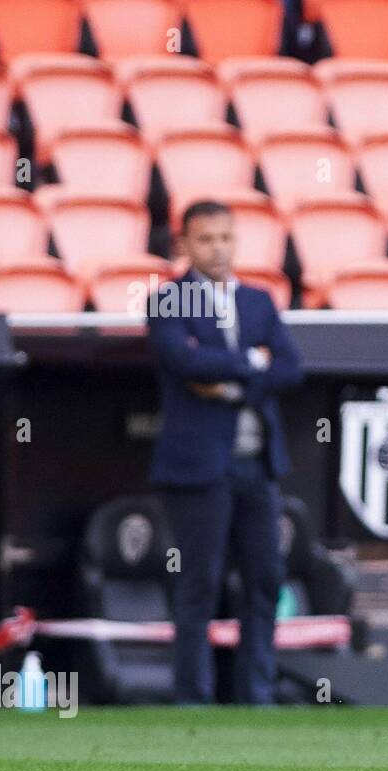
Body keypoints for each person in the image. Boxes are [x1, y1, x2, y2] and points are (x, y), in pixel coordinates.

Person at [147, 200, 304, 704]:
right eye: (206, 239)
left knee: (264, 580)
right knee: (200, 583)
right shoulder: (168, 300)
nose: (218, 248)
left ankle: (255, 697)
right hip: (198, 468)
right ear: (185, 244)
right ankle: (192, 697)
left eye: (225, 237)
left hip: (257, 465)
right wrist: (252, 364)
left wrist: (234, 380)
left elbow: (291, 368)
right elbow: (184, 362)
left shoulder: (259, 301)